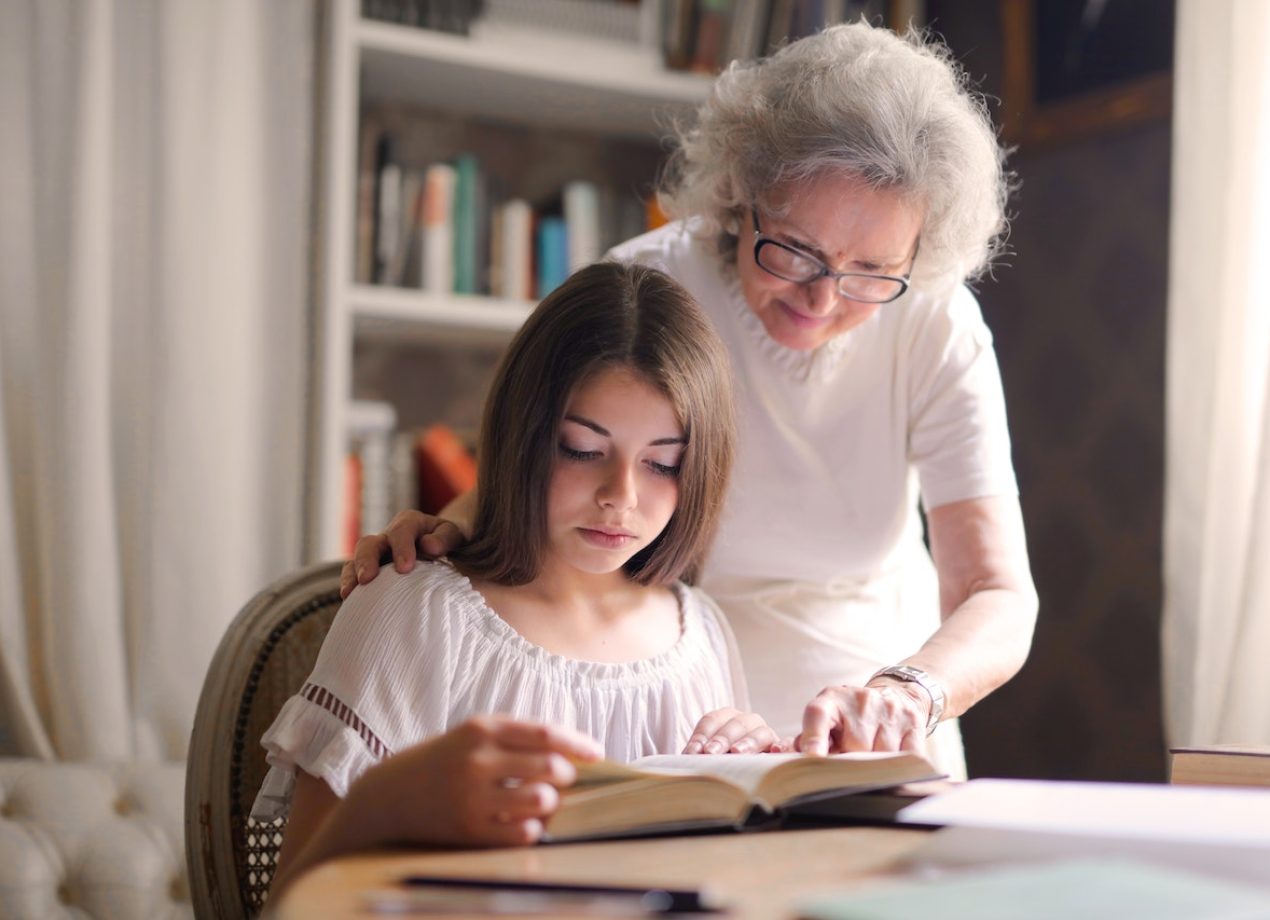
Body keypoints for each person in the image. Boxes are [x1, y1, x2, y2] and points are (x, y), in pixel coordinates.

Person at [344, 22, 1038, 780]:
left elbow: (995, 592)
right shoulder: (650, 290)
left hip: (878, 728)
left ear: (918, 255)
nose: (821, 297)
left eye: (871, 271)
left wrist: (911, 692)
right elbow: (558, 464)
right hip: (685, 712)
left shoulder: (933, 321)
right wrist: (442, 533)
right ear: (742, 196)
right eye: (796, 250)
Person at [255, 263, 778, 897]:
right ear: (523, 435)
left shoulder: (699, 633)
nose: (622, 496)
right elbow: (295, 895)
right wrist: (394, 797)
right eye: (583, 450)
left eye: (664, 463)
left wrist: (755, 779)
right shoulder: (415, 615)